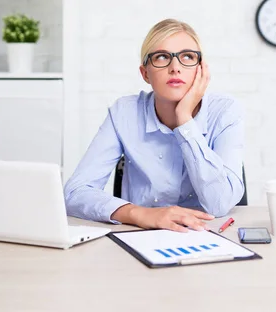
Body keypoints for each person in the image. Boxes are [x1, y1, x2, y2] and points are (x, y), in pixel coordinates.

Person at [64, 18, 244, 232]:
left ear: (201, 69)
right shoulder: (124, 112)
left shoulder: (225, 112)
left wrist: (184, 120)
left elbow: (220, 204)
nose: (175, 67)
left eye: (187, 57)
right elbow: (75, 192)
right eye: (161, 57)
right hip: (139, 234)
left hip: (208, 234)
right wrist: (140, 214)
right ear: (145, 73)